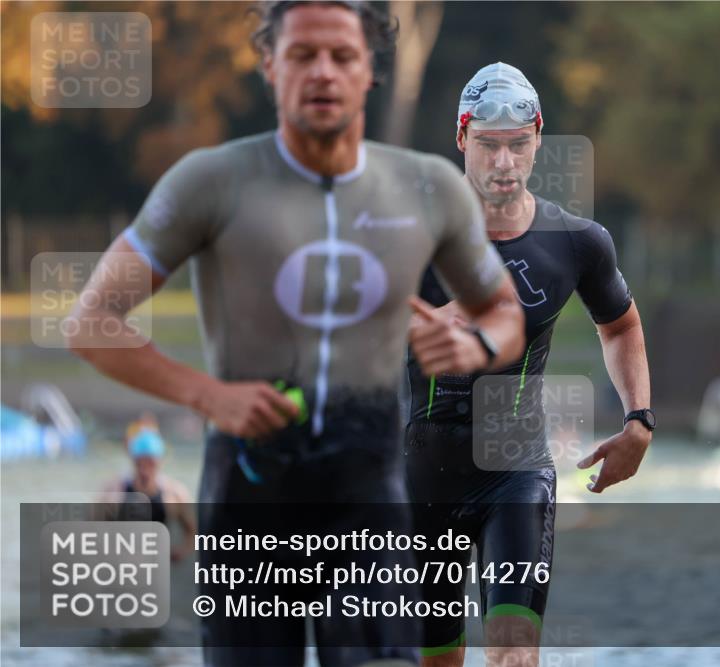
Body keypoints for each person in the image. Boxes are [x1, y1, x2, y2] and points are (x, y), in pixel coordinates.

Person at [67, 3, 525, 666]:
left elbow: (505, 312)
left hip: (366, 485)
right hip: (249, 487)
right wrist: (206, 395)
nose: (323, 72)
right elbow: (90, 320)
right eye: (303, 54)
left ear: (369, 69)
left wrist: (476, 345)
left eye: (342, 55)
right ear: (268, 64)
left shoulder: (429, 186)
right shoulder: (210, 180)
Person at [404, 62, 653, 667]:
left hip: (514, 469)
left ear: (539, 137)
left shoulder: (576, 243)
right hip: (420, 475)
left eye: (518, 145)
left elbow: (619, 325)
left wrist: (638, 420)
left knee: (514, 652)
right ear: (462, 139)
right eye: (488, 145)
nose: (504, 163)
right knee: (436, 658)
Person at [98, 414, 196, 562]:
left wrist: (182, 551)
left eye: (150, 463)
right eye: (140, 463)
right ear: (133, 460)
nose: (145, 469)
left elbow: (192, 532)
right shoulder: (114, 492)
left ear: (159, 461)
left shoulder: (175, 494)